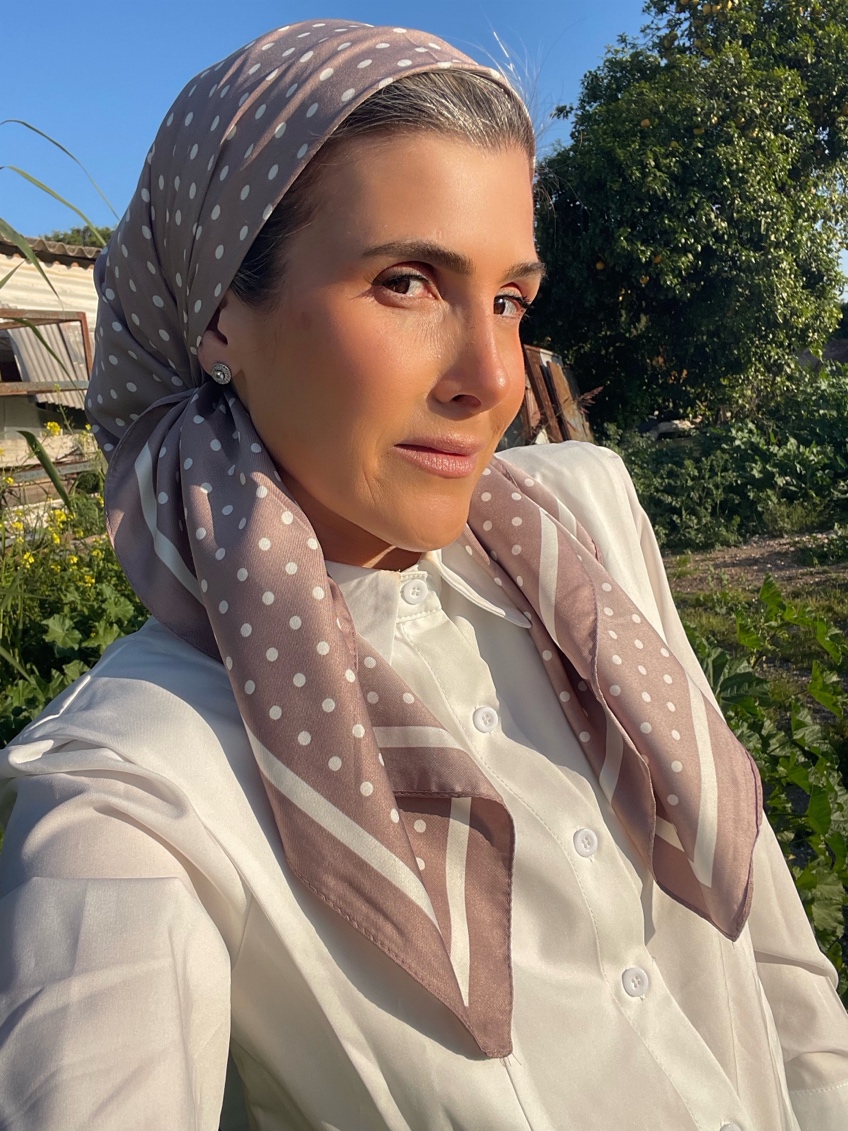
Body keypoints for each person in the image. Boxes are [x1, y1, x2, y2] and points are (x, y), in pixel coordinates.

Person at [1, 18, 847, 1131]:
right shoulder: (137, 783)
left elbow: (774, 962)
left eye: (509, 299)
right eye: (405, 282)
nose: (492, 378)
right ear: (217, 320)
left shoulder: (586, 519)